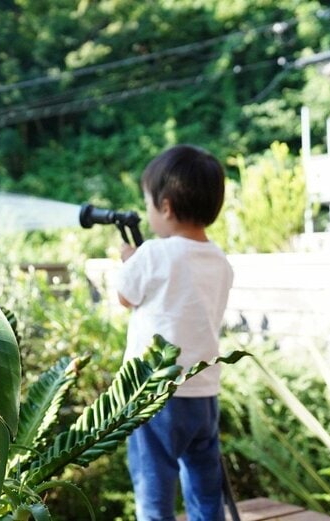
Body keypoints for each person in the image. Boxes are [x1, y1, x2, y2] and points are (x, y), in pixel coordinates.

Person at [116, 144, 234, 521]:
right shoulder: (221, 261)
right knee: (204, 489)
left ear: (165, 206)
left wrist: (128, 262)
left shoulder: (153, 253)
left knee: (154, 493)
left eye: (148, 204)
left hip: (156, 395)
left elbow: (124, 295)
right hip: (203, 395)